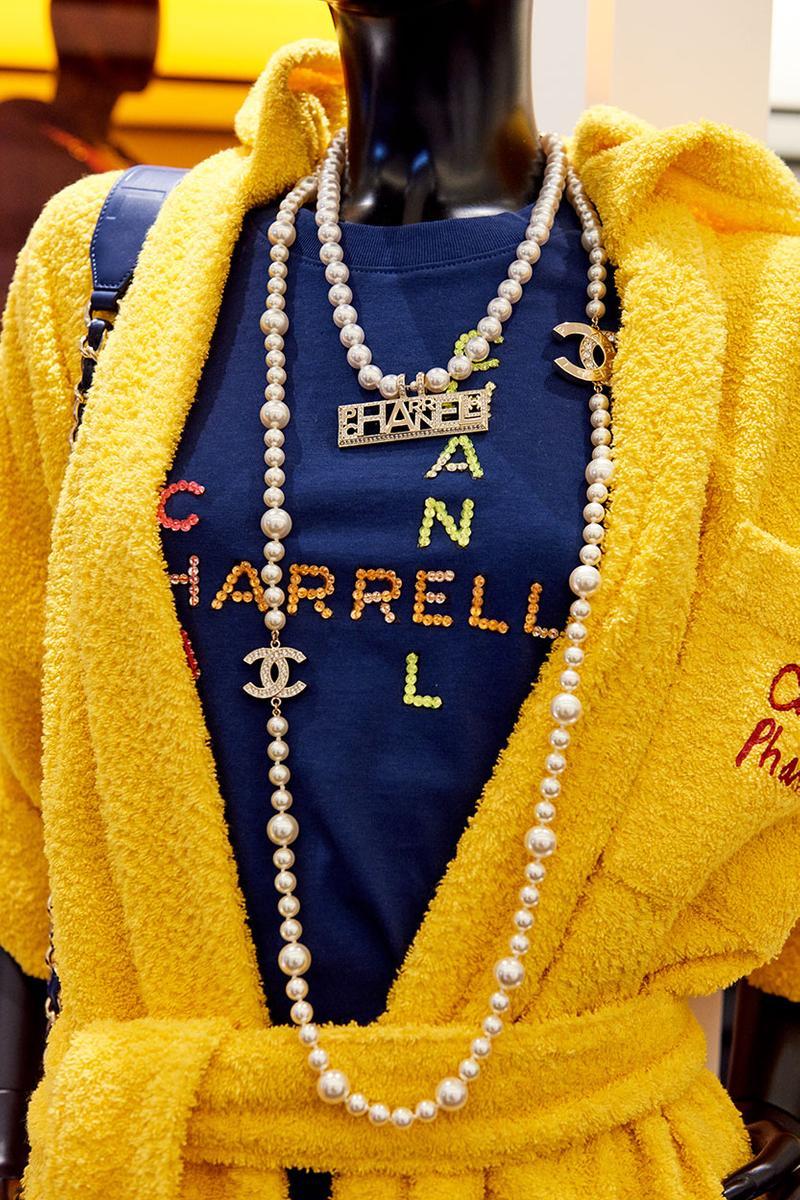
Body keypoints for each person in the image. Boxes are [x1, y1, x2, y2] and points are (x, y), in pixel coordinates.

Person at [2, 2, 800, 1198]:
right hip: (170, 1151)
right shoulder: (106, 275)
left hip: (562, 1159)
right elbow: (22, 770)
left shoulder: (745, 313)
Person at [0, 0, 158, 308]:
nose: (147, 27)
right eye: (127, 7)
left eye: (151, 9)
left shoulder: (133, 168)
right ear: (69, 21)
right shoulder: (15, 147)